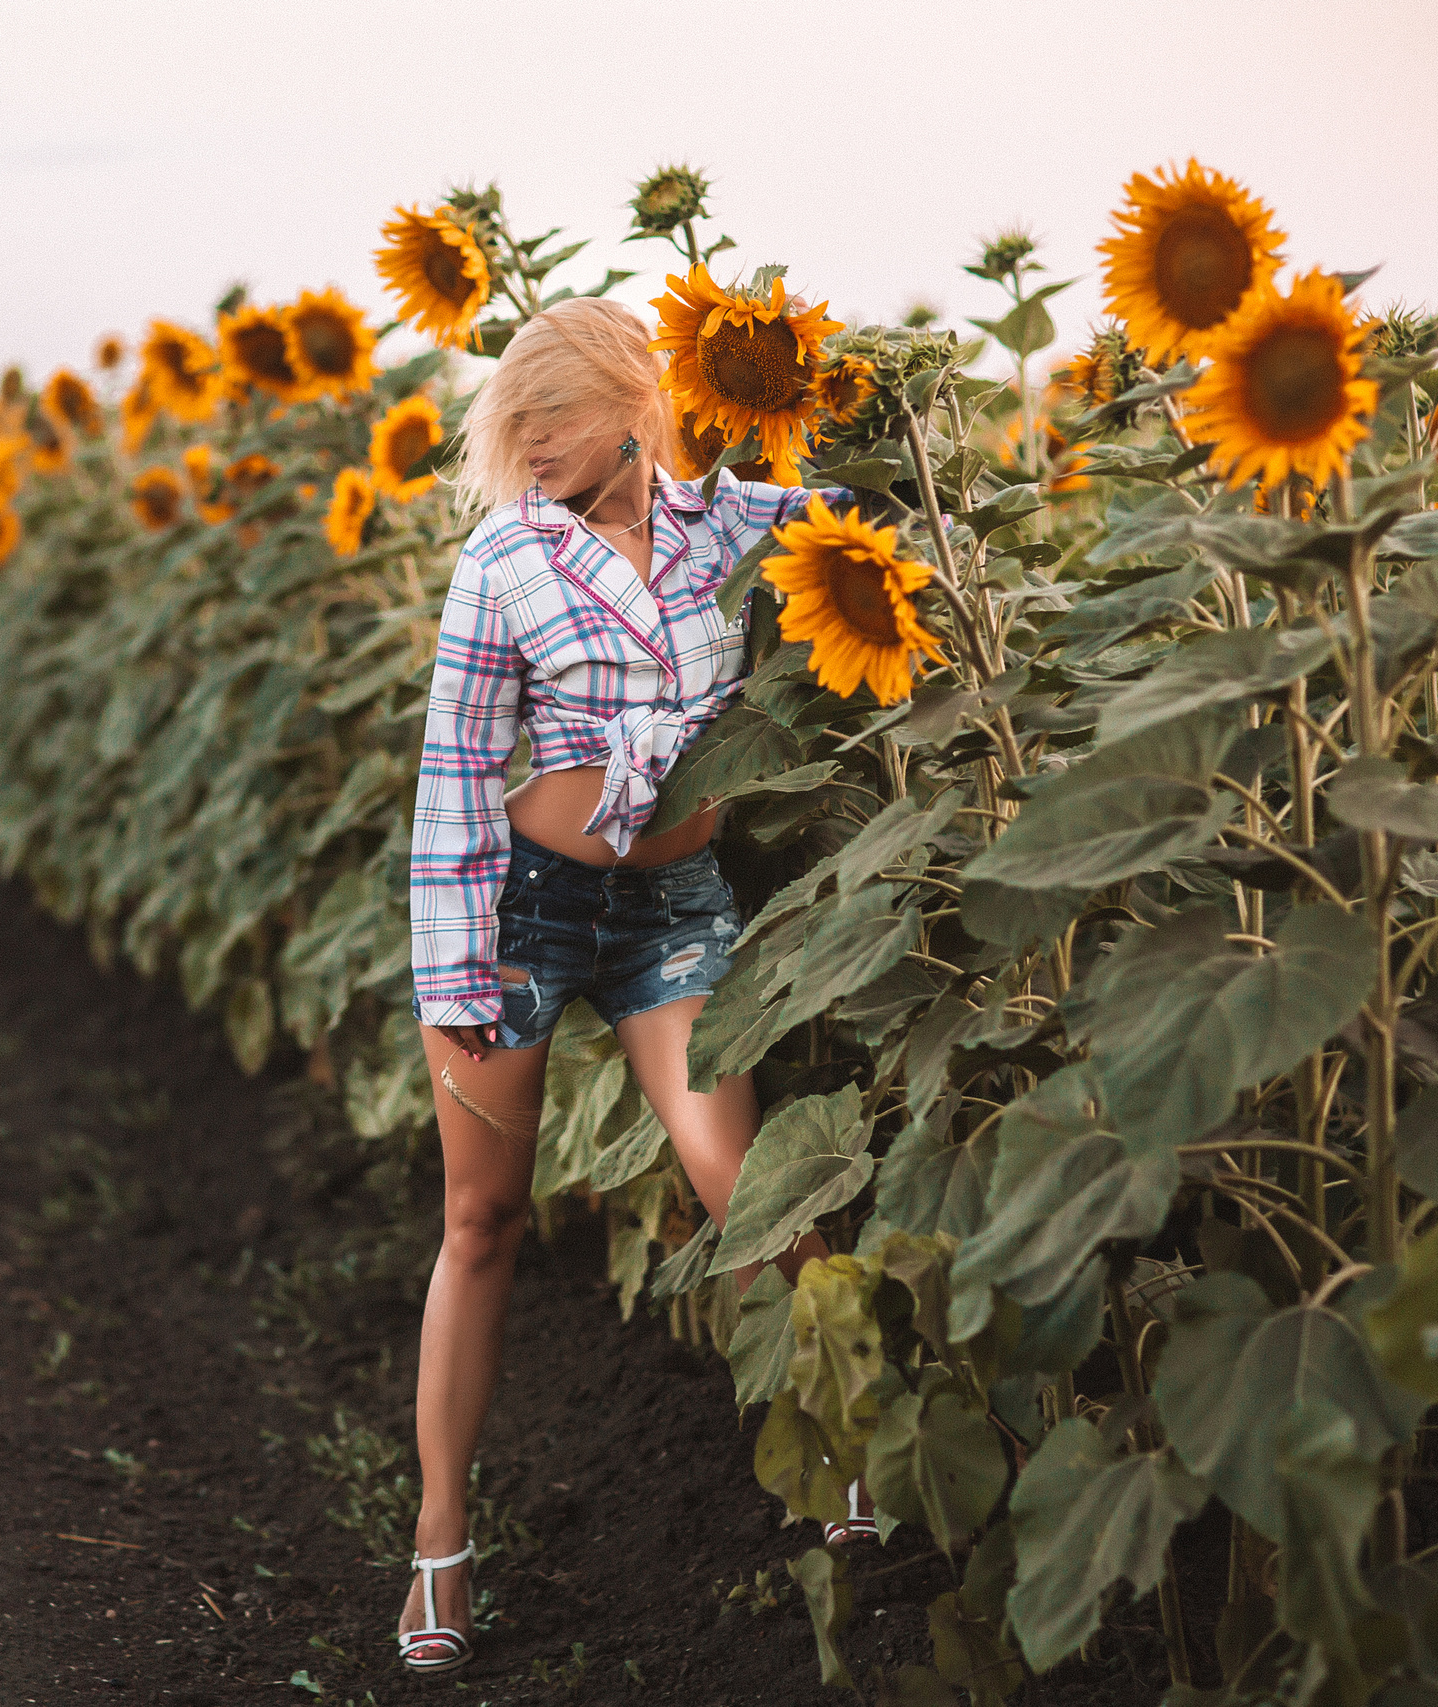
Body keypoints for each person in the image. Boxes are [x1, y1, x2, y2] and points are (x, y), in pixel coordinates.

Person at [395, 296, 867, 1674]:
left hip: (671, 908)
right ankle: (438, 1546)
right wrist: (457, 969)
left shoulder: (734, 528)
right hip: (520, 914)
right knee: (480, 1222)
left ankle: (858, 1462)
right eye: (515, 424)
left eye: (556, 421)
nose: (531, 447)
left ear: (634, 404)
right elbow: (456, 786)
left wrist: (841, 391)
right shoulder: (502, 561)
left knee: (758, 1189)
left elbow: (867, 517)